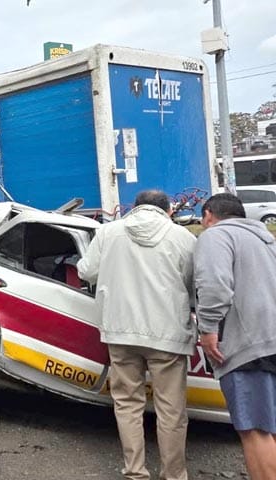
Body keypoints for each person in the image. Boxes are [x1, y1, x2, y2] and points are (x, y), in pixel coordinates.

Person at [77, 190, 197, 480]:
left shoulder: (108, 233)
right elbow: (194, 283)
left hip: (120, 330)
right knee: (171, 409)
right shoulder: (183, 238)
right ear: (169, 210)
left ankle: (135, 472)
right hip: (167, 333)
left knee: (128, 404)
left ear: (134, 207)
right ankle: (174, 474)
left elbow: (86, 272)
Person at [194, 193, 276, 480]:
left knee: (254, 429)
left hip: (246, 346)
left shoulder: (215, 237)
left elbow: (215, 287)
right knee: (270, 426)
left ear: (208, 215)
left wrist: (208, 329)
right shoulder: (265, 240)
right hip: (271, 338)